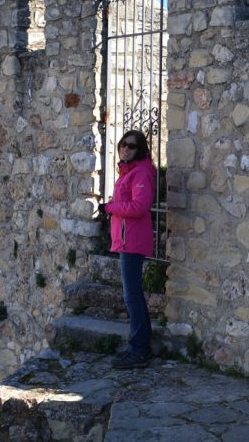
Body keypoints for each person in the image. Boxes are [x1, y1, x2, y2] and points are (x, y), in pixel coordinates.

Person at [103, 129, 157, 369]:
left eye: (131, 146)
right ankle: (141, 344)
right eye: (123, 144)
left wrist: (111, 207)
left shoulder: (141, 173)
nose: (125, 148)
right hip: (127, 240)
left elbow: (139, 207)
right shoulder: (129, 171)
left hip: (132, 241)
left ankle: (138, 349)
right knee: (133, 294)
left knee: (131, 296)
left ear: (140, 150)